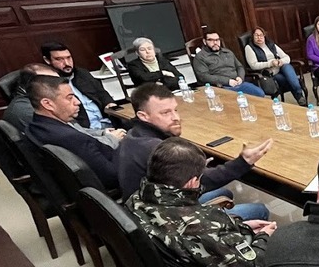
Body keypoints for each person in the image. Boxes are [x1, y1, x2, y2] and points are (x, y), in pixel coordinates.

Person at [126, 137, 277, 267]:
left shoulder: (136, 198)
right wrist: (264, 237)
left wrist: (241, 227)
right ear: (192, 182)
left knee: (253, 214)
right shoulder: (200, 225)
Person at [116, 83, 272, 220]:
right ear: (143, 116)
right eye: (165, 113)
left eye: (175, 110)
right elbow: (205, 181)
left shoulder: (133, 136)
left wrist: (189, 164)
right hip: (165, 220)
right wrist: (243, 162)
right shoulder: (155, 148)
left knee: (225, 192)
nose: (176, 117)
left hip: (146, 208)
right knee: (259, 210)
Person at [23, 75, 120, 190]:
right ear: (47, 104)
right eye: (70, 98)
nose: (77, 102)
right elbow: (112, 178)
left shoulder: (35, 126)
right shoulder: (70, 138)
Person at [3, 63, 124, 147]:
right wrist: (110, 139)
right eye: (51, 82)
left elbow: (75, 131)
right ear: (36, 85)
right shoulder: (31, 111)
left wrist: (103, 133)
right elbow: (76, 141)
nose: (58, 84)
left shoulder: (33, 102)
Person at [41, 41, 117, 130]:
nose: (66, 63)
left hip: (107, 122)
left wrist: (109, 103)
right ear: (47, 60)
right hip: (87, 130)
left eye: (68, 58)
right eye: (59, 59)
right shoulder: (49, 84)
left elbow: (101, 92)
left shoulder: (82, 73)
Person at [192, 29, 265, 97]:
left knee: (260, 93)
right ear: (205, 41)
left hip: (238, 83)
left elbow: (239, 67)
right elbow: (204, 76)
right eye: (211, 40)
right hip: (220, 87)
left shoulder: (228, 52)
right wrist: (227, 81)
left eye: (217, 40)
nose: (215, 43)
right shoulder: (200, 57)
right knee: (237, 99)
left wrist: (240, 77)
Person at [243, 26, 305, 105]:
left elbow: (287, 57)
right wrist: (270, 63)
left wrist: (280, 61)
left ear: (264, 36)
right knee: (290, 80)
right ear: (252, 37)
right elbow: (253, 65)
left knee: (287, 67)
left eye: (261, 35)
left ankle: (299, 95)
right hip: (269, 73)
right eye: (256, 35)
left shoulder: (270, 44)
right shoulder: (249, 47)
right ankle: (300, 97)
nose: (259, 37)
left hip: (280, 67)